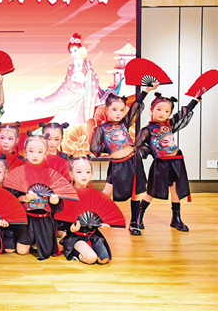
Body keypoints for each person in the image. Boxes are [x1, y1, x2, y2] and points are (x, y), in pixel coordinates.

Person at [90, 83, 158, 235]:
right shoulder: (102, 129)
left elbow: (136, 106)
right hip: (117, 165)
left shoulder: (124, 123)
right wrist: (111, 148)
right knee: (107, 192)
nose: (118, 113)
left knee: (135, 193)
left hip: (133, 161)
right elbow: (94, 147)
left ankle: (134, 222)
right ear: (106, 109)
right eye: (114, 109)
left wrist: (147, 90)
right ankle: (93, 217)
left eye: (122, 110)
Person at [136, 92, 202, 232]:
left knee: (175, 190)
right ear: (152, 109)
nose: (162, 113)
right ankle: (138, 216)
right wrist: (152, 151)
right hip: (161, 164)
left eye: (167, 111)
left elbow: (182, 114)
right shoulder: (147, 130)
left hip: (176, 162)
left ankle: (176, 219)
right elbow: (139, 145)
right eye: (159, 109)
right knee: (152, 191)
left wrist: (195, 101)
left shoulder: (169, 125)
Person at [6, 135, 63, 260]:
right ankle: (31, 240)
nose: (35, 155)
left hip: (44, 218)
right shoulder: (19, 173)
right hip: (26, 219)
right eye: (31, 151)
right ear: (25, 153)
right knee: (22, 251)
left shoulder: (51, 174)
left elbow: (58, 201)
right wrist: (25, 198)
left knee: (47, 253)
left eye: (40, 152)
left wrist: (54, 201)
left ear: (46, 154)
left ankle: (39, 239)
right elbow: (13, 198)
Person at [58, 157, 112, 265]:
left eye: (87, 172)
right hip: (75, 236)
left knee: (103, 260)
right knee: (91, 258)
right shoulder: (67, 196)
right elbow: (61, 220)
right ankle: (72, 250)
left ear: (91, 174)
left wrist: (102, 224)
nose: (84, 175)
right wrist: (71, 228)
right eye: (79, 172)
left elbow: (98, 216)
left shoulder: (95, 195)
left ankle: (90, 247)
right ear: (71, 174)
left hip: (93, 235)